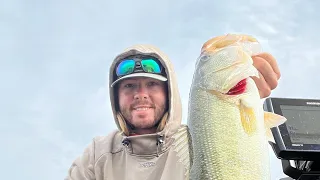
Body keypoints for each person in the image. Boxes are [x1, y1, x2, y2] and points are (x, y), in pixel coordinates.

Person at [66, 44, 281, 180]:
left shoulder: (199, 139)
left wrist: (249, 73)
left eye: (152, 84)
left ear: (169, 93)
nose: (141, 94)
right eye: (129, 86)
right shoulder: (97, 155)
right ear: (116, 97)